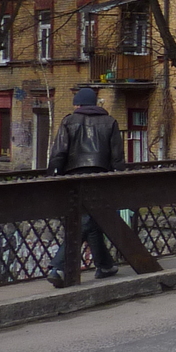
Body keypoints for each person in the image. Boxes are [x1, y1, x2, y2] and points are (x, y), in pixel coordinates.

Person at [46, 87, 125, 286]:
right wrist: (120, 180)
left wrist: (51, 175)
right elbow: (117, 157)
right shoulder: (110, 122)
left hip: (74, 179)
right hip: (100, 178)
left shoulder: (68, 121)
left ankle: (58, 267)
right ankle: (105, 265)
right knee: (91, 222)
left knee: (83, 222)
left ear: (79, 104)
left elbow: (59, 152)